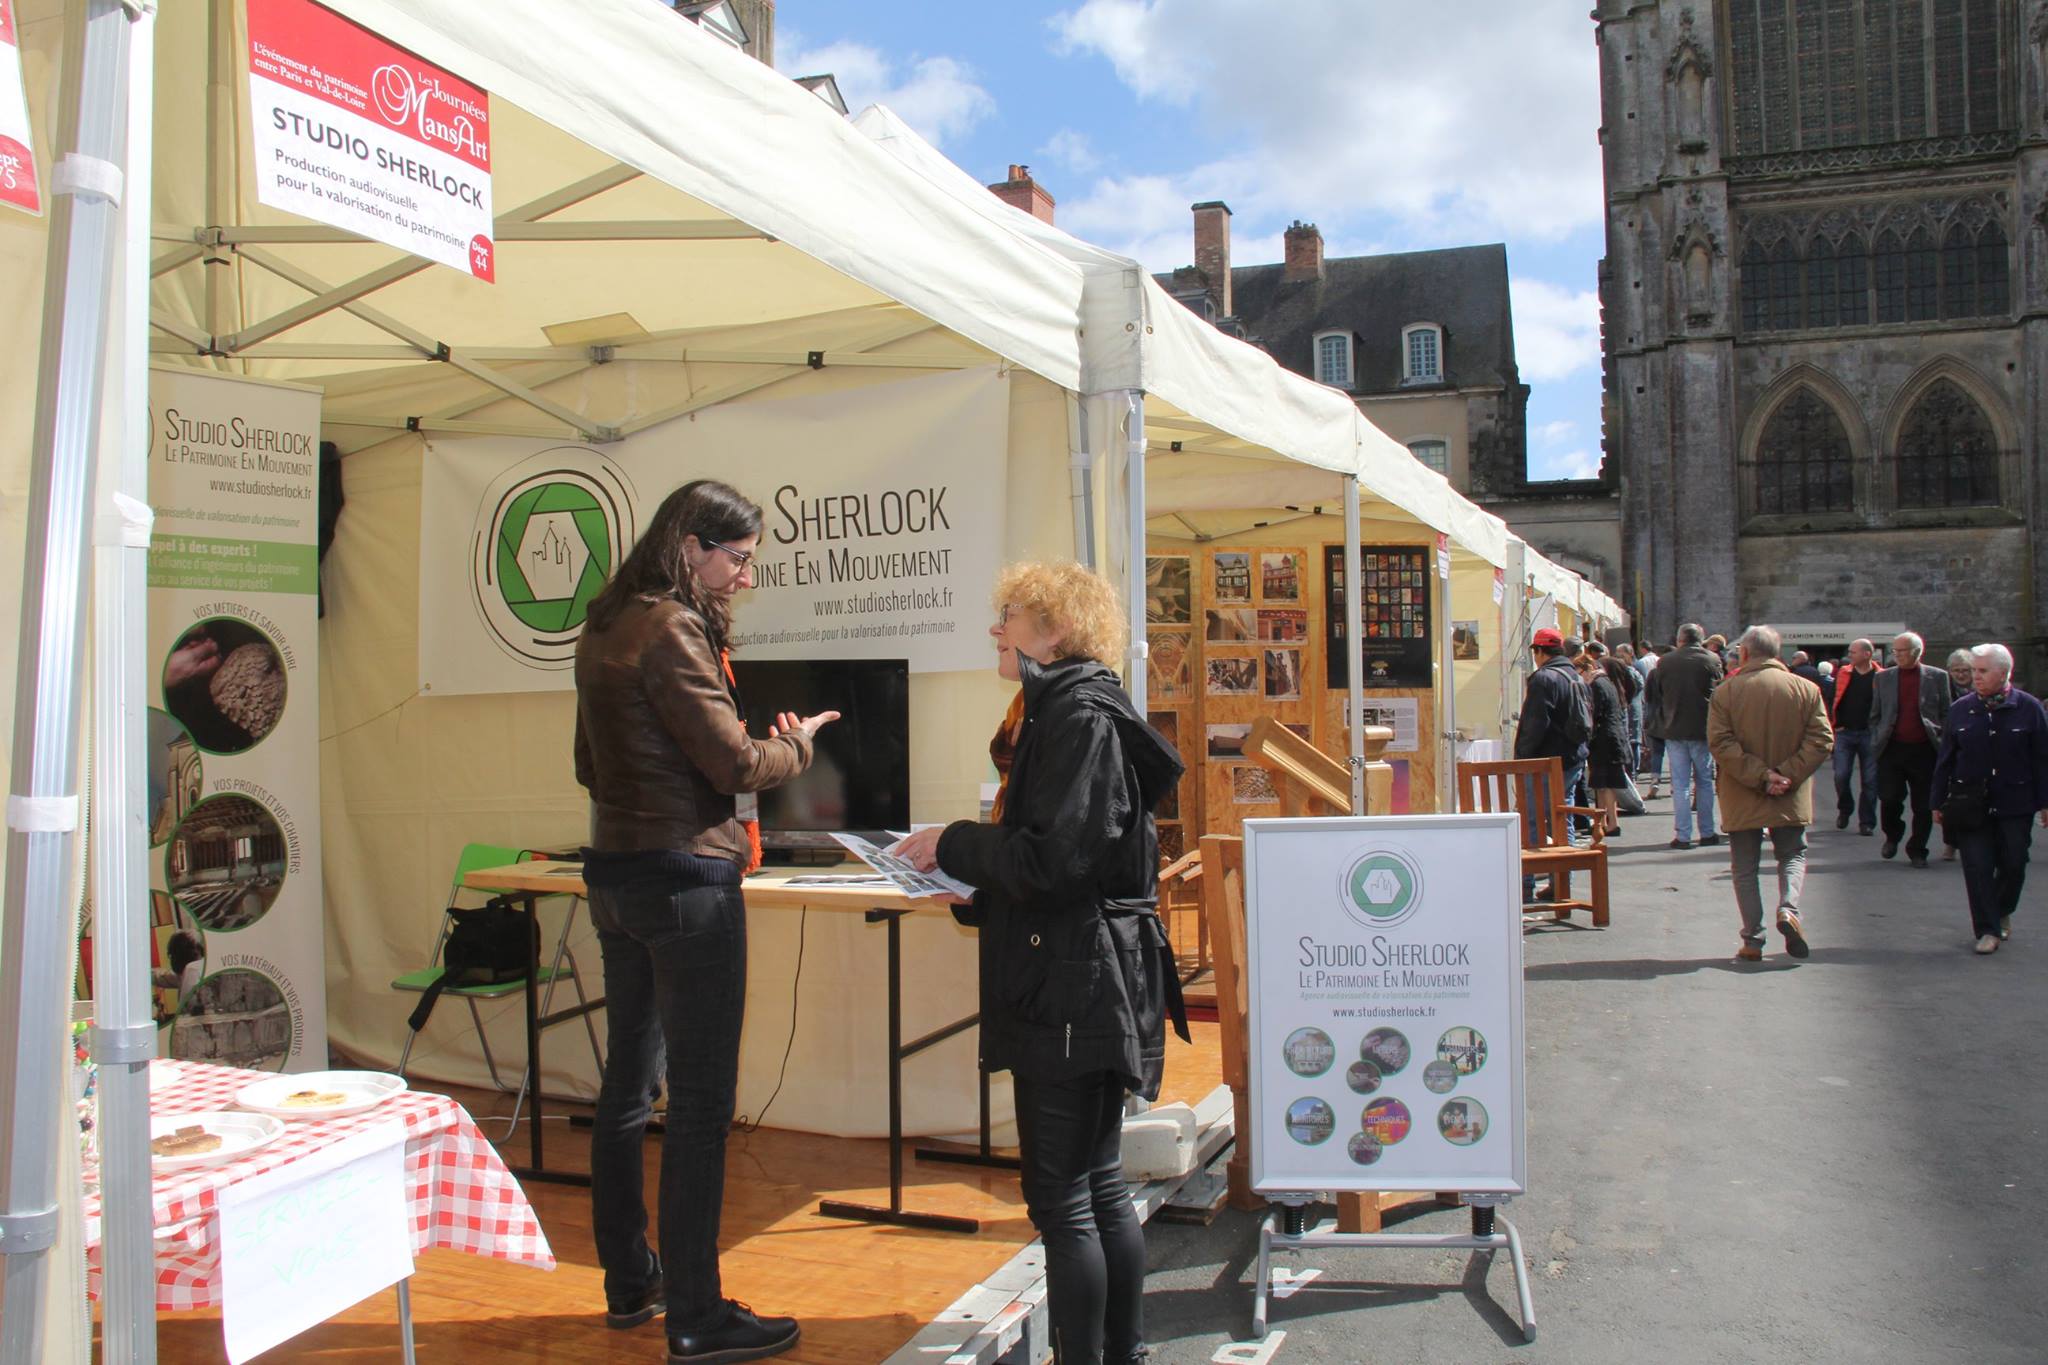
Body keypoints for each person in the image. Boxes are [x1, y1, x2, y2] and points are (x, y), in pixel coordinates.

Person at [572, 479, 838, 1364]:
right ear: (690, 545)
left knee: (625, 1090)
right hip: (686, 880)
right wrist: (798, 745)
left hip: (615, 876)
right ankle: (696, 1311)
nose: (745, 578)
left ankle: (631, 1282)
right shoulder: (674, 627)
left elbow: (588, 762)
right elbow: (730, 760)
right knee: (698, 1104)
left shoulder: (607, 623)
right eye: (738, 558)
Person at [896, 561, 1187, 1365]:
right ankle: (1118, 1353)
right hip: (1082, 972)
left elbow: (1057, 859)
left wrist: (954, 843)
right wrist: (971, 888)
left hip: (1073, 981)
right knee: (1094, 1186)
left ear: (1053, 631)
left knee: (1066, 1198)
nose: (996, 627)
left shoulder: (1075, 717)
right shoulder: (1071, 710)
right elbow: (1067, 863)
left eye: (1010, 614)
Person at [1707, 626, 1835, 962]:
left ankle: (1753, 939)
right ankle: (1788, 908)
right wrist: (1786, 775)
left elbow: (1720, 743)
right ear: (1778, 653)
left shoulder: (1727, 691)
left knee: (1745, 866)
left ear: (1745, 653)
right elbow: (1822, 740)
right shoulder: (1805, 689)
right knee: (1792, 854)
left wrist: (1762, 776)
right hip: (1789, 791)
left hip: (1742, 788)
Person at [1932, 643, 2048, 955]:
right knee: (1977, 866)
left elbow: (2042, 758)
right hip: (1971, 802)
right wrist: (1937, 801)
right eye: (1973, 671)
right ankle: (1987, 929)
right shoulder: (1961, 709)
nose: (1975, 677)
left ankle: (2002, 908)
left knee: (2014, 863)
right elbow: (1946, 758)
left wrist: (2045, 802)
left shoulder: (2029, 708)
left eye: (1982, 671)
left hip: (2016, 801)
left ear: (2004, 673)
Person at [1871, 631, 1953, 868]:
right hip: (1892, 748)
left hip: (1925, 749)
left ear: (1917, 652)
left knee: (1924, 804)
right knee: (1889, 798)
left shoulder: (1937, 677)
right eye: (1895, 650)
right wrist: (1876, 736)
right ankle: (1893, 834)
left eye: (1902, 651)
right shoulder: (1883, 678)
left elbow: (1946, 711)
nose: (1897, 655)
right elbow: (1875, 714)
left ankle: (1918, 849)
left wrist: (1942, 736)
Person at [1515, 627, 1592, 866]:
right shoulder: (1576, 676)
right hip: (1572, 758)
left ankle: (1530, 879)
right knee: (1562, 816)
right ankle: (1561, 878)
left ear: (1539, 652)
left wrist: (1522, 758)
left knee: (1533, 819)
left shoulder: (1544, 678)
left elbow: (1536, 723)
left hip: (1545, 761)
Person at [1652, 622, 1724, 849]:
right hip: (1702, 728)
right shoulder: (1712, 660)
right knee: (1703, 781)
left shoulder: (1665, 662)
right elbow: (1717, 692)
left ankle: (1683, 835)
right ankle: (1707, 832)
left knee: (1680, 783)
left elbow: (1658, 693)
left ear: (1680, 639)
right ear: (1701, 639)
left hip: (1674, 727)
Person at [1829, 638, 1881, 835]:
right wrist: (1835, 724)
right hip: (1845, 732)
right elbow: (1833, 697)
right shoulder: (1844, 673)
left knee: (1870, 780)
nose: (1849, 655)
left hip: (1870, 734)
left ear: (1867, 654)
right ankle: (1845, 808)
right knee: (1841, 775)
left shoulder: (1881, 676)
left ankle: (1866, 821)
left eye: (1853, 652)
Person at [1582, 654, 1635, 836]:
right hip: (1613, 738)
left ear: (1588, 669)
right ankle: (1608, 822)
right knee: (1607, 783)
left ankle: (1605, 823)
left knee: (1602, 784)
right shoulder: (1608, 682)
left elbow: (1595, 712)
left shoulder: (1597, 685)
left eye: (1580, 672)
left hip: (1604, 739)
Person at [1941, 648, 1975, 862]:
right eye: (1956, 671)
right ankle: (1950, 843)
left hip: (1973, 750)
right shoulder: (1942, 688)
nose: (1961, 675)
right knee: (1949, 801)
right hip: (1948, 749)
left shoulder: (1980, 689)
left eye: (1965, 670)